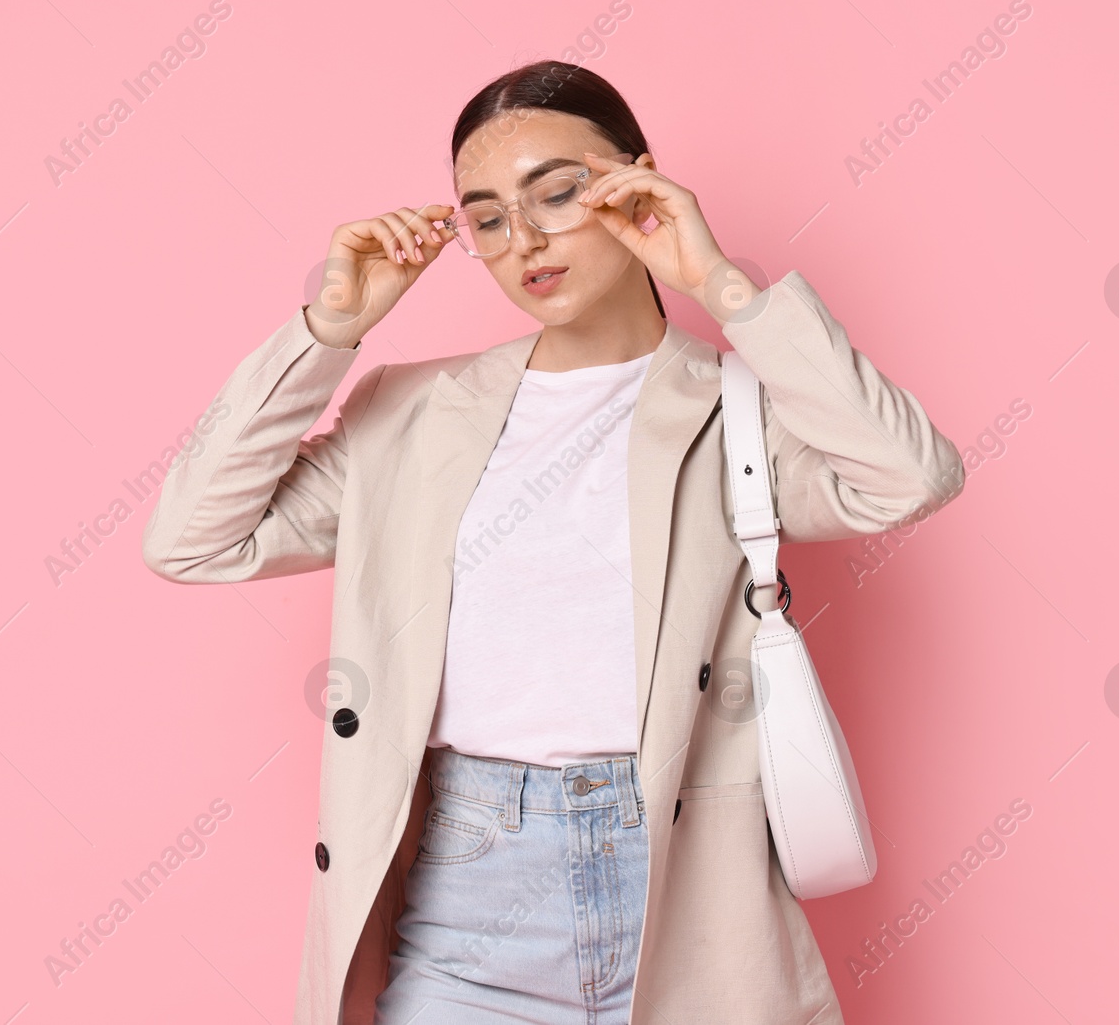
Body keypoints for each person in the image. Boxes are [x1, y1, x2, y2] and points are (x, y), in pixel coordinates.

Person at [141, 60, 965, 1024]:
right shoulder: (409, 413)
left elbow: (910, 478)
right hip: (467, 900)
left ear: (638, 185)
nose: (524, 237)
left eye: (558, 193)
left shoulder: (734, 411)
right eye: (487, 217)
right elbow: (193, 537)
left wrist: (723, 284)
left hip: (693, 891)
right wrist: (329, 331)